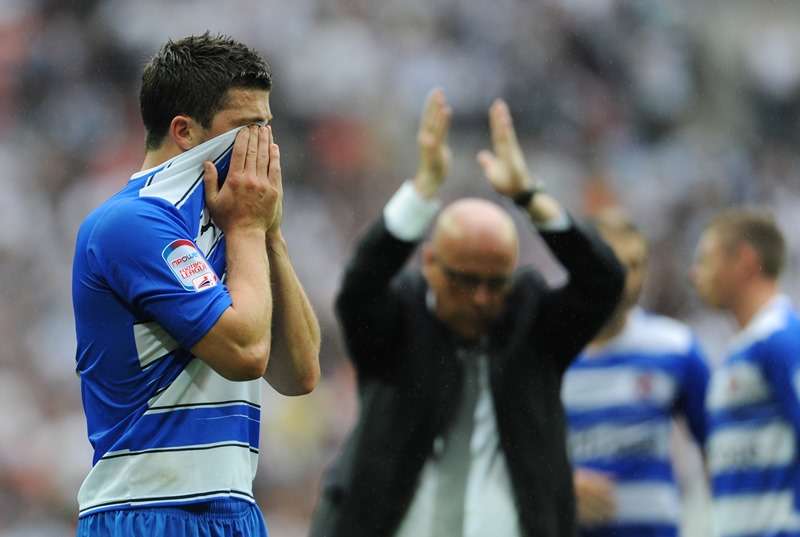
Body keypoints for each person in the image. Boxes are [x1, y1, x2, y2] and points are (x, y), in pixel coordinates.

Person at [308, 89, 625, 537]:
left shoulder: (532, 324)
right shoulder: (398, 321)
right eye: (464, 280)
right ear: (431, 262)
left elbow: (604, 280)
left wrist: (528, 195)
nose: (480, 297)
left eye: (496, 282)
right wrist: (421, 193)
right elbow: (360, 285)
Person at [71, 33, 321, 537]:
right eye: (247, 128)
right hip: (149, 510)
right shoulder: (132, 224)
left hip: (236, 509)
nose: (264, 147)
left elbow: (299, 374)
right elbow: (247, 351)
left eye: (267, 127)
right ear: (185, 131)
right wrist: (249, 228)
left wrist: (269, 235)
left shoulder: (230, 224)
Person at [562, 210, 710, 537]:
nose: (629, 280)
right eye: (617, 263)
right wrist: (559, 485)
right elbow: (511, 452)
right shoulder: (550, 351)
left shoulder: (675, 348)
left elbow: (717, 445)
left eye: (637, 265)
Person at [691, 209, 800, 537]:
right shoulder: (745, 347)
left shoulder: (781, 341)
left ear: (745, 261)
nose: (695, 273)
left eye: (706, 260)